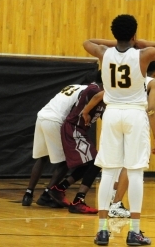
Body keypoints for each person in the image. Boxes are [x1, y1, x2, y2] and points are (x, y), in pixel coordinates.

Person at [83, 14, 155, 246]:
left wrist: (114, 41)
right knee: (135, 171)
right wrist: (144, 42)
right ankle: (134, 231)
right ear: (134, 34)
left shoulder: (103, 53)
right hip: (135, 114)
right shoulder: (144, 54)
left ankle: (102, 231)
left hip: (112, 114)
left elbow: (87, 42)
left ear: (115, 33)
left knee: (108, 171)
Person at [109, 61, 155, 218]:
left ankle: (112, 199)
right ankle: (116, 204)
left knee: (116, 164)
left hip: (115, 119)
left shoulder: (129, 79)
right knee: (132, 165)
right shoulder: (152, 82)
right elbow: (151, 108)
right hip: (136, 122)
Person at [47, 73, 106, 214]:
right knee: (95, 162)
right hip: (74, 128)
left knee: (91, 163)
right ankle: (78, 201)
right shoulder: (94, 90)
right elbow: (98, 97)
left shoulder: (101, 92)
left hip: (79, 130)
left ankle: (59, 188)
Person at [22, 83, 87, 207]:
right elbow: (75, 113)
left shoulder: (75, 86)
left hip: (42, 116)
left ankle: (28, 194)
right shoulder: (91, 91)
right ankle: (47, 194)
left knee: (43, 157)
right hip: (55, 120)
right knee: (67, 160)